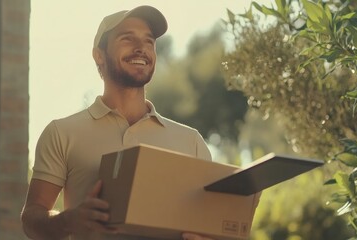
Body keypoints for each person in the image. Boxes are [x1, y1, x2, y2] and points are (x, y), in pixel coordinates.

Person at [21, 5, 214, 240]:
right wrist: (69, 220)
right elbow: (31, 219)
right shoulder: (61, 133)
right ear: (99, 55)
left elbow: (211, 224)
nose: (141, 48)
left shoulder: (191, 141)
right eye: (127, 39)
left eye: (149, 41)